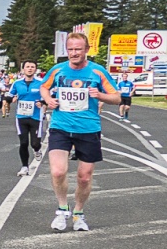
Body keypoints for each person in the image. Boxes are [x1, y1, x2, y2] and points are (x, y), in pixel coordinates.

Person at [39, 32, 121, 231]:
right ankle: (62, 209)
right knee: (58, 172)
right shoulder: (58, 70)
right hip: (61, 126)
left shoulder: (97, 72)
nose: (74, 53)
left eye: (78, 49)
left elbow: (117, 97)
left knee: (84, 176)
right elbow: (44, 87)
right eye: (70, 49)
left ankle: (78, 213)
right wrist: (49, 100)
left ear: (86, 50)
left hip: (88, 128)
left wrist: (99, 94)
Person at [9, 60, 45, 176]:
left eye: (32, 67)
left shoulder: (41, 83)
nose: (30, 69)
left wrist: (42, 102)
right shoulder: (17, 83)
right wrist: (11, 99)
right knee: (23, 143)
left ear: (35, 69)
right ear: (23, 69)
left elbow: (49, 95)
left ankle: (37, 149)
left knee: (34, 143)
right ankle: (24, 166)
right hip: (21, 116)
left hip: (36, 117)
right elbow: (8, 96)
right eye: (27, 67)